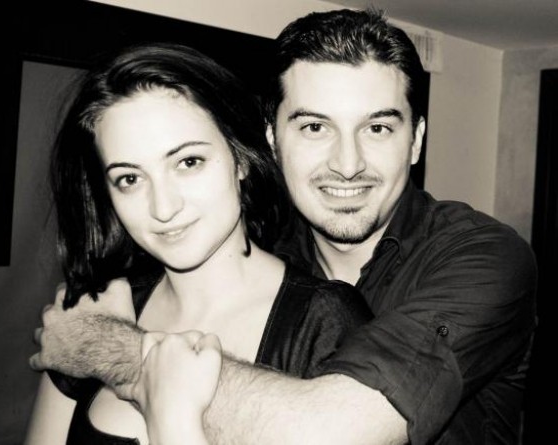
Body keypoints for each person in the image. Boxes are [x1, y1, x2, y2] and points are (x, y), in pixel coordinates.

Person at [30, 8, 538, 445]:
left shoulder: (484, 258)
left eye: (378, 127)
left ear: (416, 141)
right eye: (315, 127)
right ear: (271, 140)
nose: (347, 164)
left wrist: (117, 350)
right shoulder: (260, 248)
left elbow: (334, 432)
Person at [23, 42, 372, 445]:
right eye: (130, 179)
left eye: (188, 162)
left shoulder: (325, 321)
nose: (164, 207)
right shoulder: (95, 313)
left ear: (241, 158)